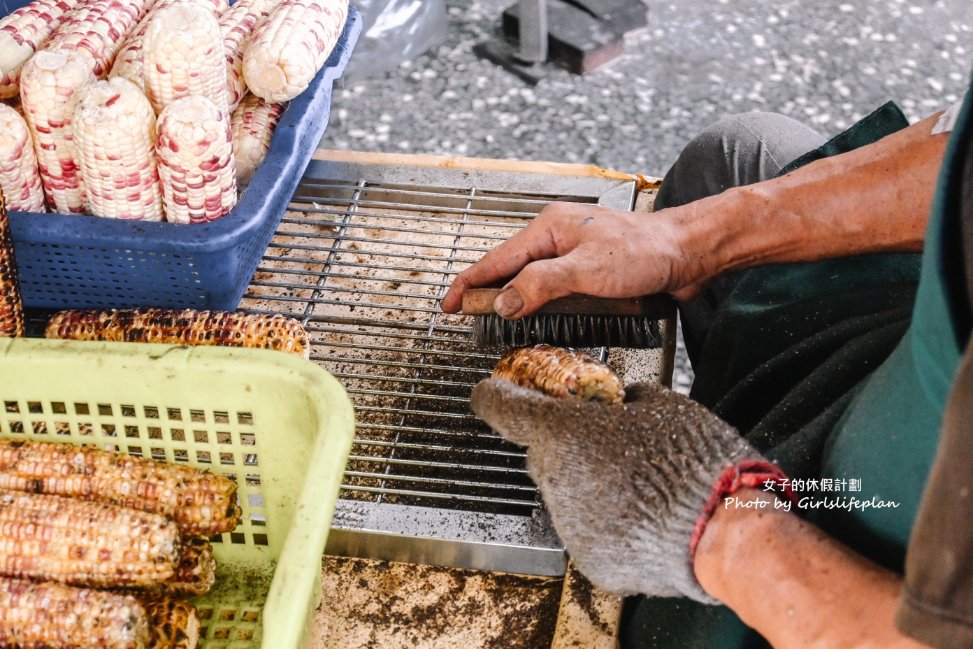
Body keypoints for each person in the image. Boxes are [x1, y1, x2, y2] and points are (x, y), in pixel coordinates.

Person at [440, 72, 972, 648]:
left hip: (869, 552)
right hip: (913, 364)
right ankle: (734, 412)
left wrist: (715, 529)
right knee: (736, 156)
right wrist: (685, 240)